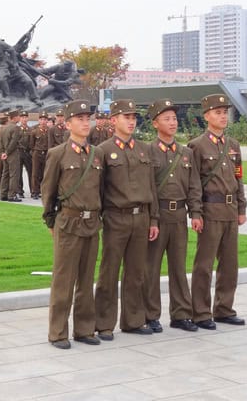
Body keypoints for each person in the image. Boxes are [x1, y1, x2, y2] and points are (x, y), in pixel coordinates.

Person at [41, 99, 105, 350]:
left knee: (87, 279)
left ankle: (84, 329)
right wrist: (50, 220)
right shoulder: (57, 154)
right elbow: (49, 190)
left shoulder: (97, 154)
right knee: (63, 280)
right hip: (68, 222)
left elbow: (100, 189)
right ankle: (57, 332)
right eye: (79, 119)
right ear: (68, 124)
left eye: (87, 118)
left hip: (92, 223)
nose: (85, 122)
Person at [94, 99, 159, 340]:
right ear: (114, 120)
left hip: (141, 218)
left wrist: (154, 219)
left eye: (134, 117)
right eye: (126, 117)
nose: (131, 121)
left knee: (136, 272)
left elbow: (151, 186)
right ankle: (104, 323)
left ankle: (133, 320)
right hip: (116, 218)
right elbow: (98, 189)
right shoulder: (102, 150)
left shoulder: (144, 149)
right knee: (108, 272)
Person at [188, 93, 247, 330]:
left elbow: (239, 178)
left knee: (230, 264)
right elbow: (193, 183)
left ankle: (224, 308)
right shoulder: (196, 145)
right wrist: (196, 213)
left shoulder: (233, 146)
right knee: (204, 264)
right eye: (217, 113)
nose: (223, 117)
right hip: (210, 210)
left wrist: (241, 207)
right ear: (206, 116)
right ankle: (201, 312)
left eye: (225, 112)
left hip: (230, 210)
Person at [145, 98, 202, 333]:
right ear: (155, 123)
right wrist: (152, 220)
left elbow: (194, 186)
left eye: (175, 119)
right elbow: (147, 187)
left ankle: (181, 314)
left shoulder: (186, 153)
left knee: (179, 267)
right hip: (158, 217)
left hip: (179, 215)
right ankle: (151, 315)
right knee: (152, 268)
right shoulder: (147, 151)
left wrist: (196, 212)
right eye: (167, 119)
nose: (173, 123)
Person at [0, 109, 23, 202]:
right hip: (12, 154)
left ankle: (3, 194)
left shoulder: (4, 127)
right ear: (15, 117)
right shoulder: (16, 128)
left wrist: (3, 153)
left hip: (5, 154)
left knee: (5, 174)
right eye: (19, 116)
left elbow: (0, 142)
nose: (20, 118)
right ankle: (12, 195)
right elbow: (13, 142)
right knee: (14, 175)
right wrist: (7, 152)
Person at [30, 112, 49, 200]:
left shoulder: (50, 131)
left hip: (46, 154)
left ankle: (43, 191)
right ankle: (35, 192)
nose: (43, 121)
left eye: (45, 119)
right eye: (41, 119)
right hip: (37, 153)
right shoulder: (34, 132)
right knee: (35, 173)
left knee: (45, 173)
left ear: (47, 120)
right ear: (39, 120)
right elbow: (31, 144)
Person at [18, 110, 33, 198]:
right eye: (22, 117)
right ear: (20, 119)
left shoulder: (31, 130)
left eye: (25, 117)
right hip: (19, 153)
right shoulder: (17, 129)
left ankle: (33, 190)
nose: (24, 119)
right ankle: (20, 191)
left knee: (31, 172)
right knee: (19, 173)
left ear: (27, 118)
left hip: (28, 153)